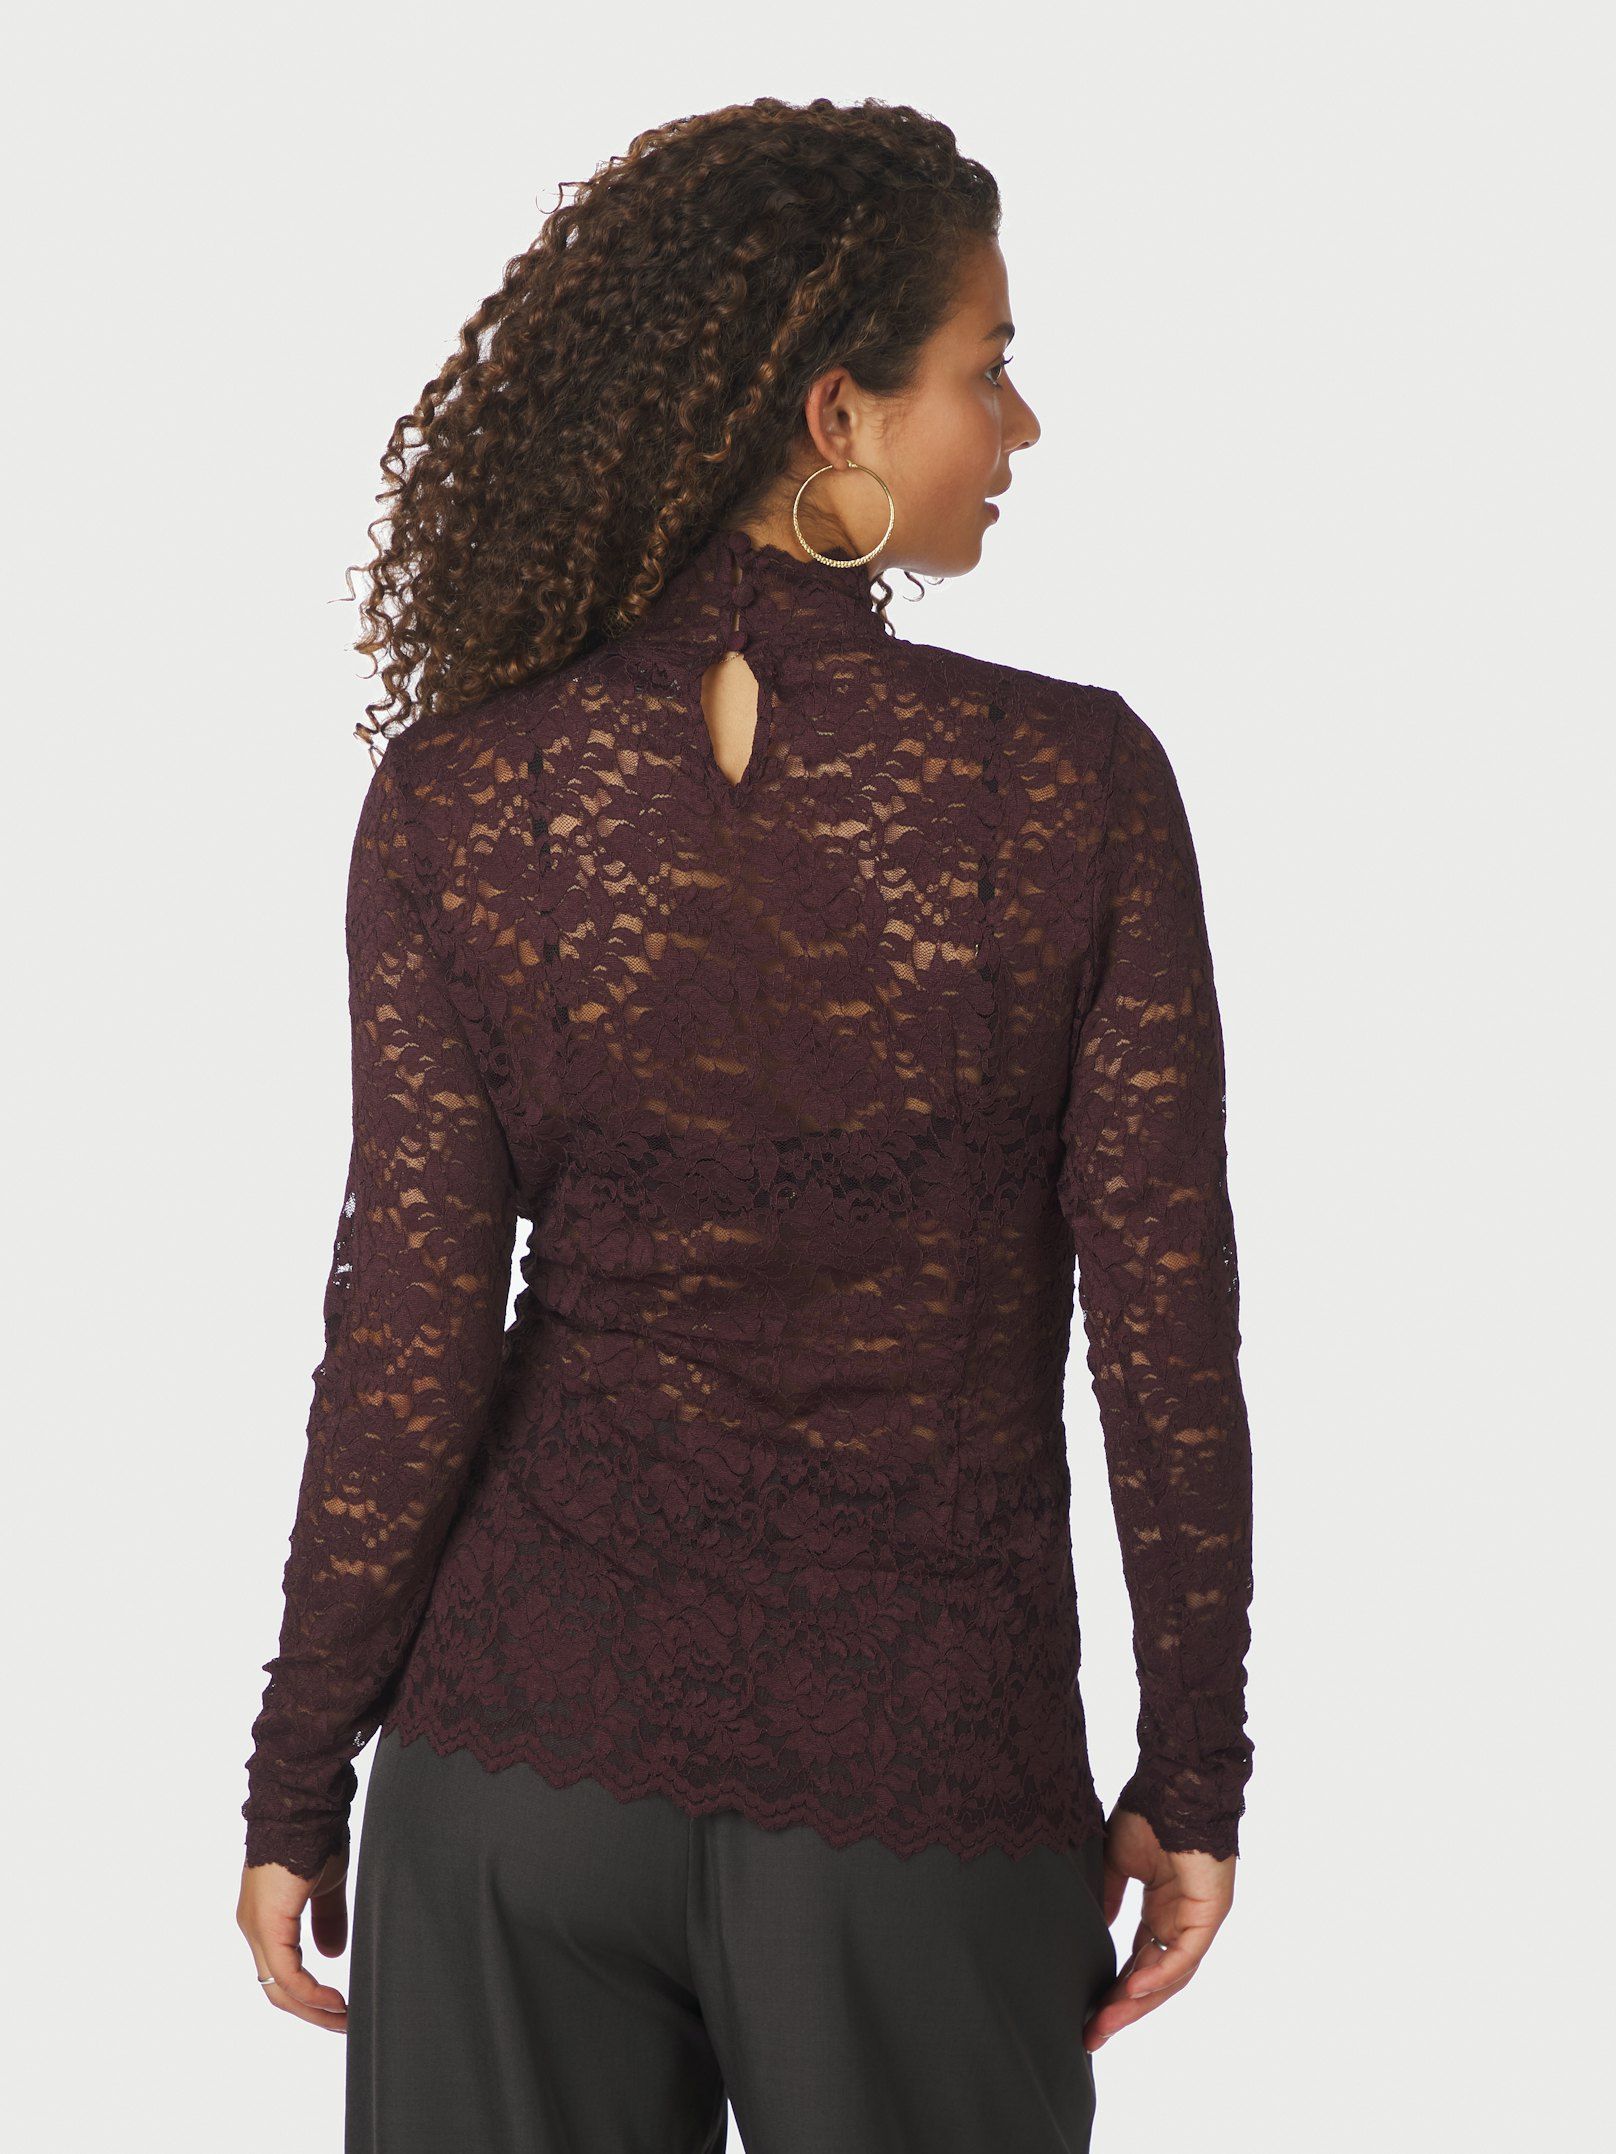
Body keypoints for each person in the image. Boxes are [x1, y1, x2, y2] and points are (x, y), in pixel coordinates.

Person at [235, 93, 1255, 2154]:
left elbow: (408, 1334)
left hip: (511, 1771)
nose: (1021, 424)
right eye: (985, 370)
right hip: (916, 1793)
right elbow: (1163, 1329)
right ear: (834, 416)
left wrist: (297, 1777)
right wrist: (1193, 1769)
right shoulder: (1068, 787)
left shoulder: (464, 798)